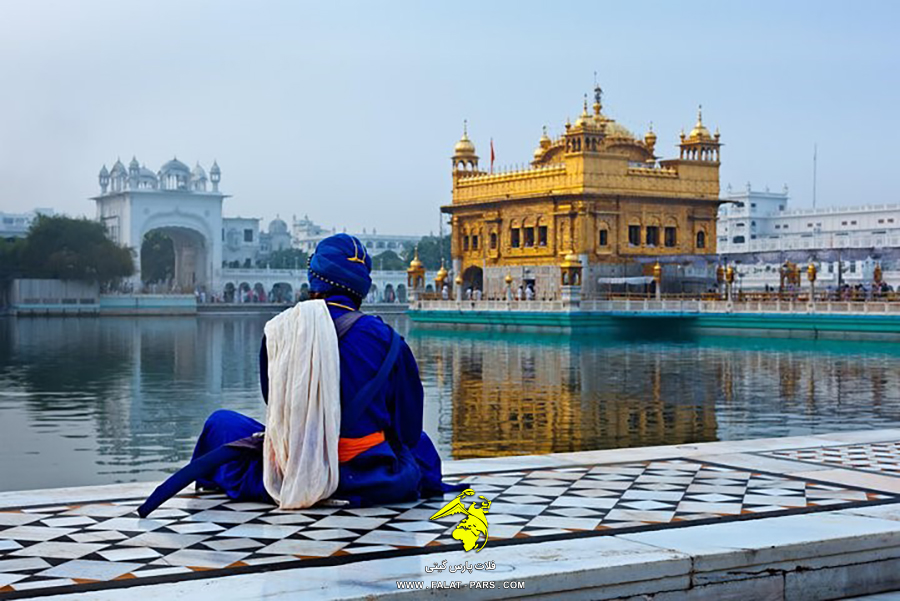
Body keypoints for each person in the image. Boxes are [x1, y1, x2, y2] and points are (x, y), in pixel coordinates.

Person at [139, 233, 453, 515]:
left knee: (221, 424)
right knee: (421, 445)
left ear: (314, 280)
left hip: (295, 466)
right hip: (370, 475)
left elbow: (275, 405)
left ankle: (301, 480)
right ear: (362, 287)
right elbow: (408, 429)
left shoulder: (281, 330)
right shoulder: (389, 340)